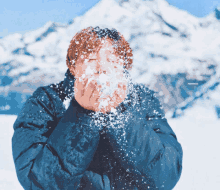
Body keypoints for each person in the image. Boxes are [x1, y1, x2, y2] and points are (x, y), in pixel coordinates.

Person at [12, 26, 183, 190]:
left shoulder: (142, 100)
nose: (102, 68)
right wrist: (82, 114)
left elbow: (165, 177)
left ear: (124, 67)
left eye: (112, 60)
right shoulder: (46, 101)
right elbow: (37, 182)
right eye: (91, 60)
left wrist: (121, 114)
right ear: (73, 66)